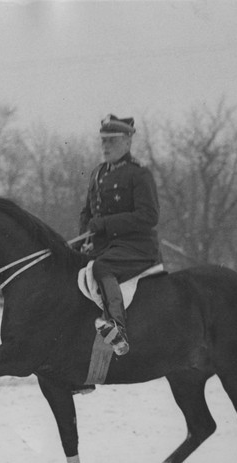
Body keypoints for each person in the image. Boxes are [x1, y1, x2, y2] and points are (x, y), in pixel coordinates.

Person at [78, 114, 162, 356]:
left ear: (127, 142)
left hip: (137, 247)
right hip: (104, 246)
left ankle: (118, 328)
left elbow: (149, 216)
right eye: (103, 141)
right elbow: (87, 213)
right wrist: (83, 239)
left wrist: (105, 224)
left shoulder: (139, 174)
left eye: (112, 141)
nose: (105, 146)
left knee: (101, 267)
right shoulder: (97, 174)